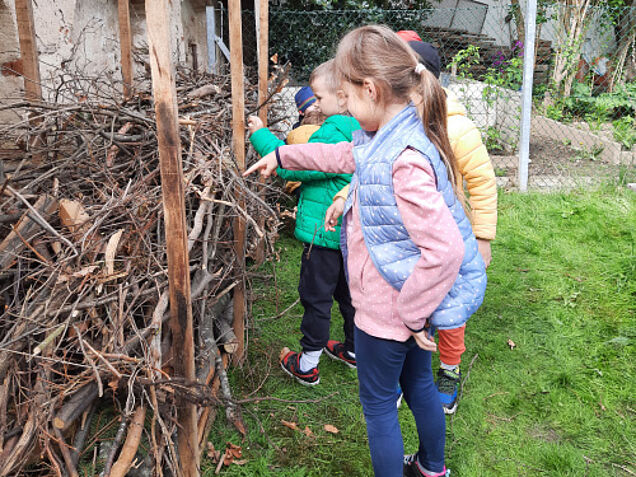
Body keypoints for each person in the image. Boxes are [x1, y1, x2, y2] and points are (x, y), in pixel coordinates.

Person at [244, 25, 487, 477]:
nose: (347, 109)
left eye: (348, 97)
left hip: (388, 308)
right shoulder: (392, 134)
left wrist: (413, 314)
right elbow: (343, 156)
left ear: (371, 90)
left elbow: (446, 250)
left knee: (378, 407)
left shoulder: (403, 159)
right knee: (417, 384)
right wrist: (281, 157)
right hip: (408, 305)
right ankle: (433, 468)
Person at [324, 31, 497, 415]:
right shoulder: (394, 131)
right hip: (413, 245)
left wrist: (482, 236)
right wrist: (342, 196)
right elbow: (367, 175)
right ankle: (411, 376)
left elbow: (483, 183)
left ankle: (448, 370)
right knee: (422, 317)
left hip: (445, 238)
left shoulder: (450, 129)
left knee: (447, 311)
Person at [246, 60, 361, 386]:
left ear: (342, 97)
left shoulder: (333, 131)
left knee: (316, 297)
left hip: (321, 237)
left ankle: (307, 363)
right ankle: (354, 352)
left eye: (320, 98)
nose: (316, 105)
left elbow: (294, 166)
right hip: (349, 237)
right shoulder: (363, 130)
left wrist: (261, 136)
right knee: (349, 296)